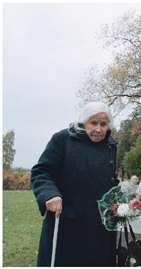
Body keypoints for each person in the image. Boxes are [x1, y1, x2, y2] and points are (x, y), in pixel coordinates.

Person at [31, 102, 118, 266]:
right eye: (94, 123)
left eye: (103, 124)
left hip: (99, 227)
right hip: (67, 223)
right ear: (83, 122)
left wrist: (117, 201)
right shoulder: (63, 139)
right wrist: (50, 194)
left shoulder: (111, 145)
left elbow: (110, 181)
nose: (98, 129)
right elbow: (41, 172)